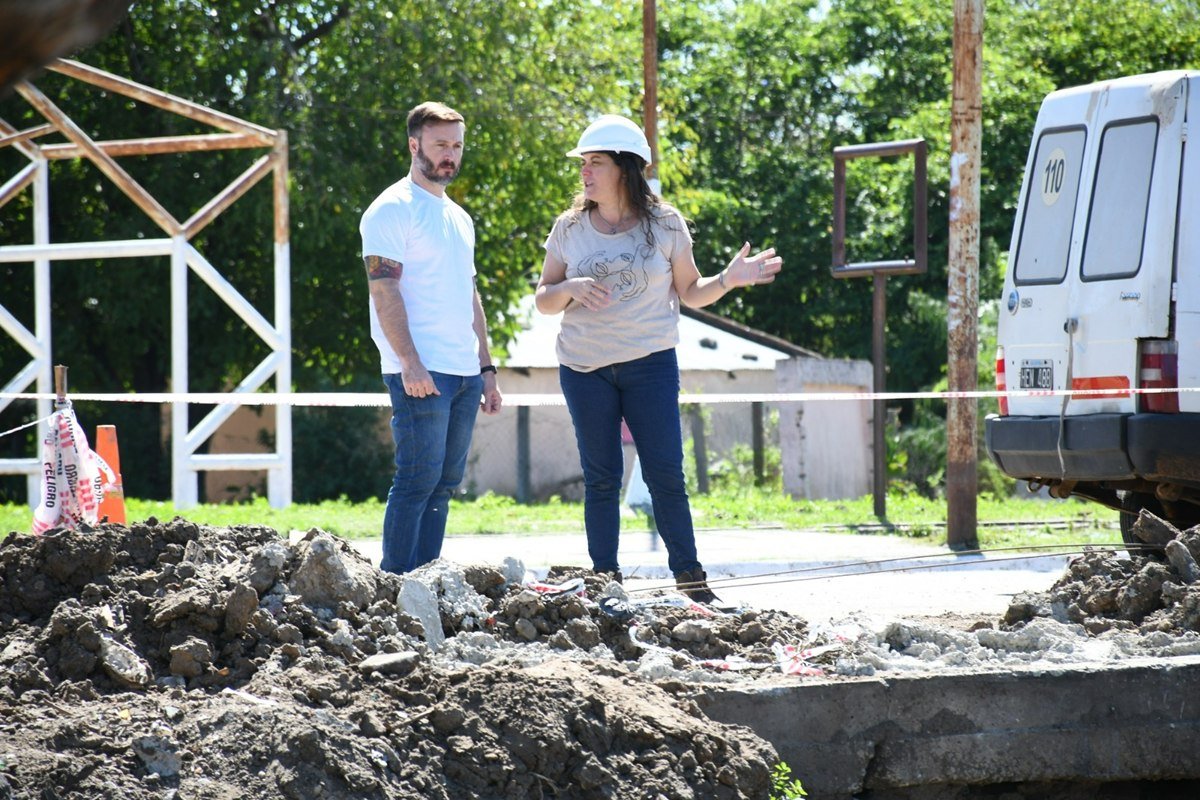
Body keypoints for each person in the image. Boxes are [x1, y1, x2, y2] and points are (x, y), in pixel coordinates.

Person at [535, 114, 782, 603]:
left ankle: (691, 580)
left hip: (650, 365)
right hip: (584, 369)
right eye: (583, 163)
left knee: (666, 472)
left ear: (626, 168)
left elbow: (691, 291)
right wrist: (569, 288)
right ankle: (606, 582)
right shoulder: (568, 228)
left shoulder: (665, 223)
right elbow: (544, 299)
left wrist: (730, 279)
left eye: (595, 162)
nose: (584, 172)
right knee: (601, 476)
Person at [360, 101, 502, 574]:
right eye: (441, 144)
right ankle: (395, 587)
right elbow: (383, 290)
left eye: (457, 145)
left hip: (464, 373)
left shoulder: (459, 218)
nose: (450, 155)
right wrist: (410, 362)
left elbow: (470, 294)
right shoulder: (391, 209)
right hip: (421, 372)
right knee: (417, 480)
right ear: (414, 144)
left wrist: (486, 368)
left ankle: (429, 581)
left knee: (444, 483)